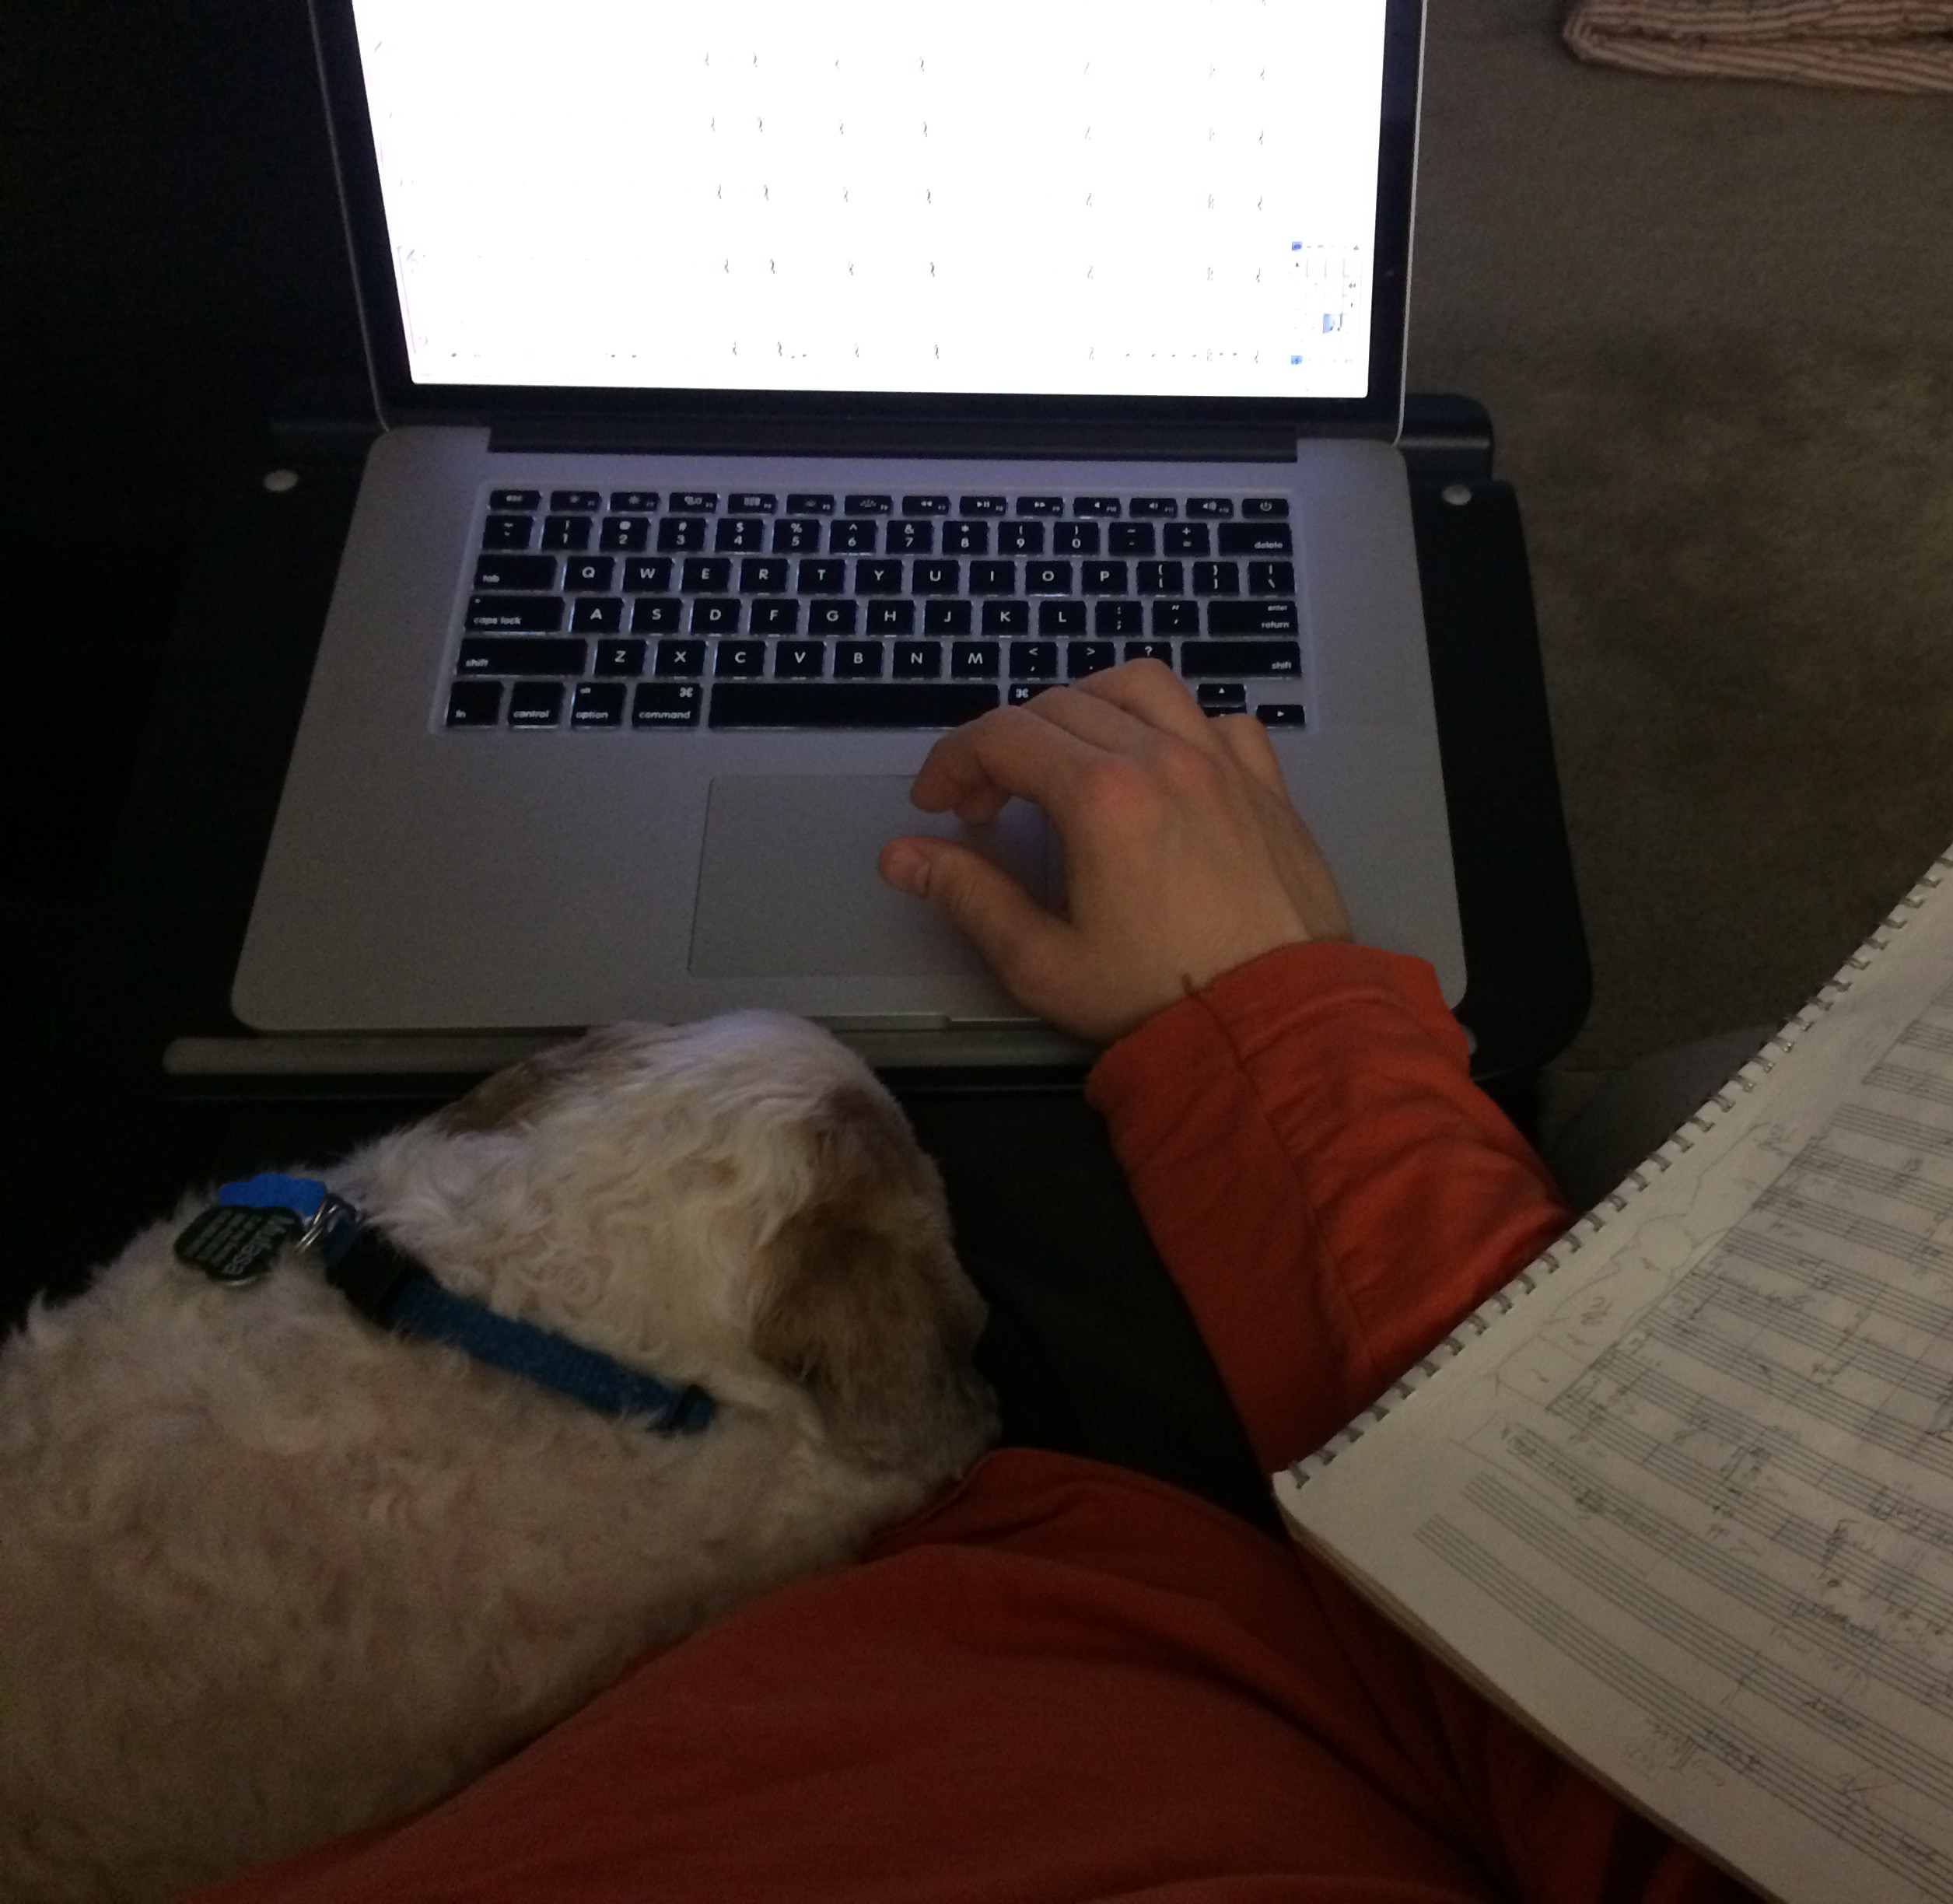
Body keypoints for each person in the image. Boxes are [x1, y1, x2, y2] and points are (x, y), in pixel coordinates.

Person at [195, 663, 1741, 1903]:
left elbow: (1607, 1683)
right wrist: (1271, 1004)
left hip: (1024, 1631)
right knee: (1671, 1103)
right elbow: (1647, 1711)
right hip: (1237, 1648)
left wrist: (1271, 1009)